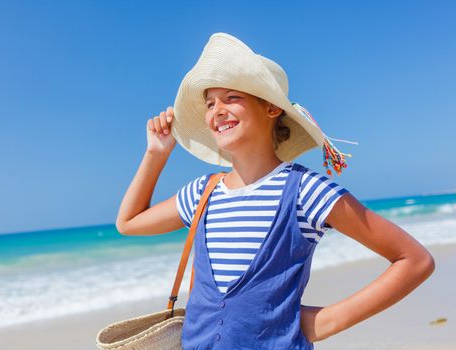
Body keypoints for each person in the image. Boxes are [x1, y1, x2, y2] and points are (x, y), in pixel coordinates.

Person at [115, 33, 435, 349]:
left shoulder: (306, 191)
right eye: (210, 103)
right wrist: (156, 154)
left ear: (271, 108)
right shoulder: (203, 193)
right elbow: (128, 222)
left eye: (231, 98)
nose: (217, 110)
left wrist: (328, 321)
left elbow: (414, 260)